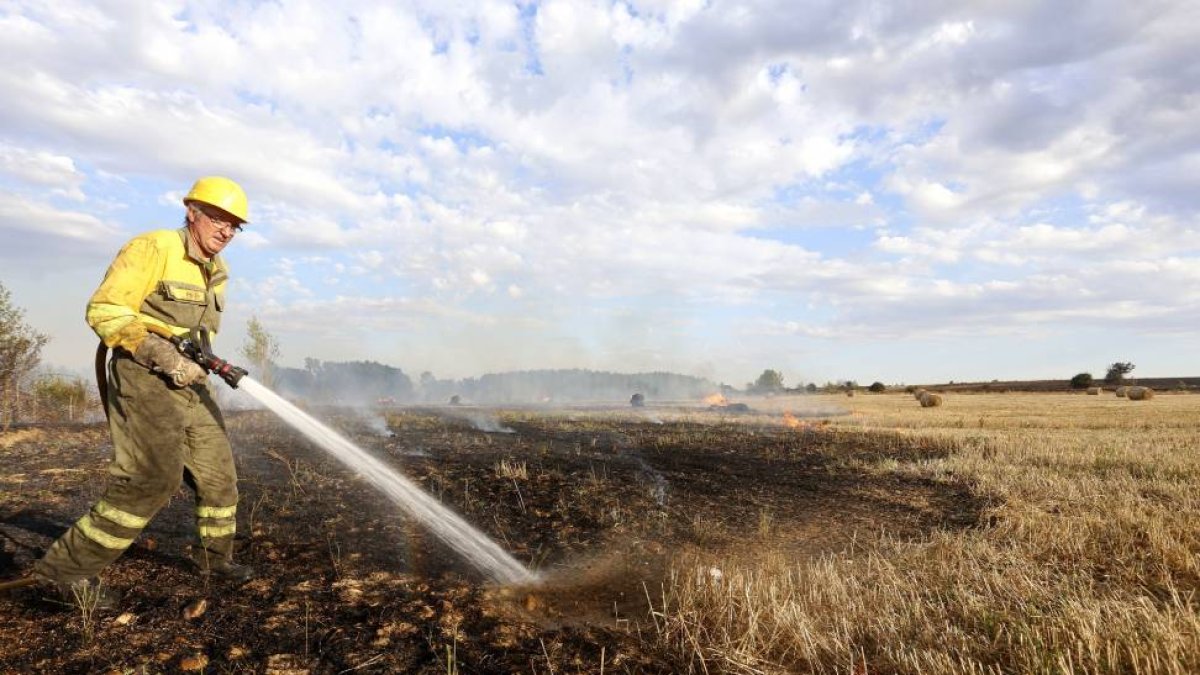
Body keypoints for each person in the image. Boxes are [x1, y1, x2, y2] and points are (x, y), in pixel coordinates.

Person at [32, 176, 254, 609]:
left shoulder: (218, 271)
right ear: (192, 212)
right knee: (152, 479)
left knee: (219, 477)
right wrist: (162, 354)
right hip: (146, 375)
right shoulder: (154, 248)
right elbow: (105, 310)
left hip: (193, 380)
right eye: (219, 219)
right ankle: (64, 573)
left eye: (235, 226)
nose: (226, 231)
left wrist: (197, 363)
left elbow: (195, 333)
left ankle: (215, 560)